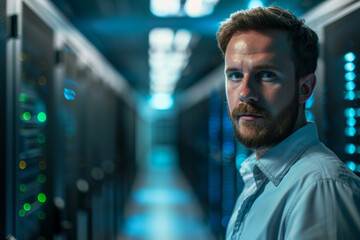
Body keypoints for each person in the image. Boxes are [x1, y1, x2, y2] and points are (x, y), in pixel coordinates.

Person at [216, 6, 360, 239]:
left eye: (266, 75)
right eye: (235, 75)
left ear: (304, 89)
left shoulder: (321, 189)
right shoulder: (257, 176)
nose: (245, 93)